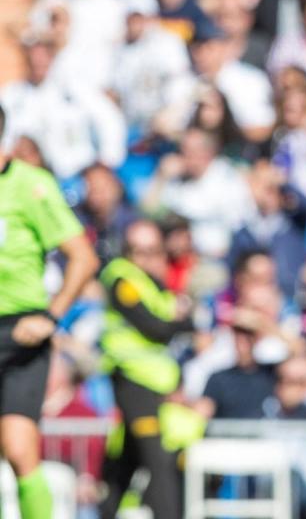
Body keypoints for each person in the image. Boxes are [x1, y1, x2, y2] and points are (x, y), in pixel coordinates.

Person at [0, 103, 99, 519]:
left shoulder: (32, 185)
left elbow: (83, 258)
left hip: (19, 332)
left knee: (19, 449)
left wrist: (50, 317)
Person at [98, 219, 193, 519]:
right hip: (134, 382)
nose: (145, 258)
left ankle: (103, 513)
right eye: (137, 251)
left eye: (152, 250)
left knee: (126, 462)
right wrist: (179, 323)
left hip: (154, 384)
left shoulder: (156, 284)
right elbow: (155, 327)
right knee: (158, 461)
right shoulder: (122, 279)